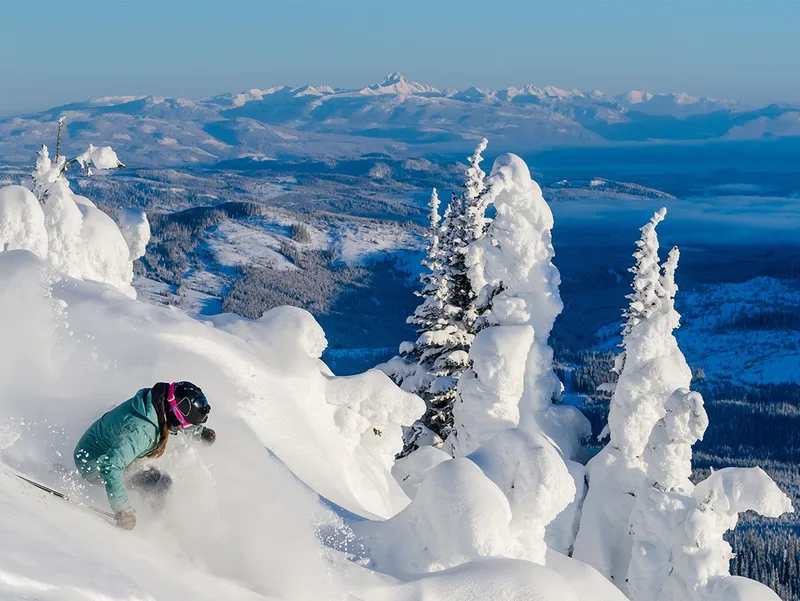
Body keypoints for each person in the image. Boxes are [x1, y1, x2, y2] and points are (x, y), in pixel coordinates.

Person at [74, 381, 216, 530]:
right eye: (188, 426)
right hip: (93, 465)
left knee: (156, 476)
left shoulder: (157, 401)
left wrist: (200, 432)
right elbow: (111, 465)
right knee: (159, 483)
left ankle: (153, 516)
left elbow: (174, 418)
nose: (185, 428)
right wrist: (123, 510)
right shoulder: (142, 431)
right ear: (175, 413)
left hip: (105, 450)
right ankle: (153, 527)